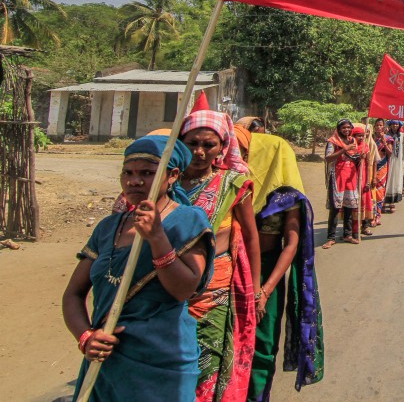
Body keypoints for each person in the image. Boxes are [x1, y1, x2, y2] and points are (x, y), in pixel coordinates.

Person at [64, 136, 215, 402]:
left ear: (173, 176)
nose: (134, 181)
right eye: (128, 173)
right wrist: (86, 337)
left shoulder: (188, 221)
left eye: (147, 173)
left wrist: (157, 238)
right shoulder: (108, 227)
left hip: (162, 361)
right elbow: (73, 294)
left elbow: (183, 290)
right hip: (107, 361)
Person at [237, 129, 325, 401]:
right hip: (232, 273)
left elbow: (291, 244)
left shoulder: (286, 197)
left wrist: (264, 291)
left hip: (267, 275)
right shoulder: (232, 186)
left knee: (261, 347)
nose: (240, 157)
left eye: (246, 152)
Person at [180, 109, 261, 402]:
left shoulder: (233, 184)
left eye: (208, 145)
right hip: (165, 288)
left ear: (222, 147)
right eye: (192, 143)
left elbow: (251, 239)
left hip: (214, 292)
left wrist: (254, 291)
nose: (200, 152)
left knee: (208, 363)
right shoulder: (164, 184)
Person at [323, 119, 367, 247]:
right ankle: (331, 237)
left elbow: (353, 158)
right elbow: (328, 158)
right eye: (344, 128)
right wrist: (344, 149)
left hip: (350, 177)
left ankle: (347, 234)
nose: (346, 130)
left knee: (349, 206)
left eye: (348, 127)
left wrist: (361, 157)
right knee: (335, 208)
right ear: (338, 128)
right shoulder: (333, 141)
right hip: (337, 176)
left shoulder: (353, 140)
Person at [371, 118, 394, 218]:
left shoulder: (388, 138)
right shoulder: (370, 138)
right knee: (371, 190)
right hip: (371, 167)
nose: (378, 127)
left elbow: (390, 154)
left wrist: (384, 142)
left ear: (384, 127)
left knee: (379, 190)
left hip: (382, 167)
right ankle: (370, 214)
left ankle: (378, 215)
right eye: (377, 125)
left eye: (380, 125)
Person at [384, 120, 404, 208]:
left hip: (398, 161)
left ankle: (392, 201)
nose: (395, 126)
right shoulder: (386, 135)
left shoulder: (402, 135)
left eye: (396, 124)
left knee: (396, 179)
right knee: (387, 179)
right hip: (389, 159)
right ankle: (384, 201)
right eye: (393, 124)